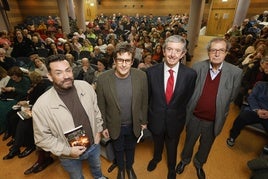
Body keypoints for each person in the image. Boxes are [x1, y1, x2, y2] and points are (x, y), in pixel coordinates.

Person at [176, 37, 243, 179]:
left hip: (214, 120)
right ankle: (185, 160)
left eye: (221, 50)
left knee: (206, 145)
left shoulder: (235, 73)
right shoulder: (197, 67)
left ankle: (199, 164)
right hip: (194, 116)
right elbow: (189, 92)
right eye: (213, 50)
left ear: (226, 53)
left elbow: (231, 97)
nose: (217, 54)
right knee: (189, 142)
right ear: (208, 52)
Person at [32, 54, 107, 179]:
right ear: (50, 76)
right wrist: (67, 151)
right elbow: (42, 138)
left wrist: (98, 130)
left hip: (94, 143)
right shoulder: (41, 106)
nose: (66, 76)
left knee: (96, 167)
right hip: (68, 155)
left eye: (68, 70)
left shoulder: (86, 87)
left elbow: (96, 110)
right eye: (59, 73)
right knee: (76, 176)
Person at [146, 35, 197, 179]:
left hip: (176, 120)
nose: (172, 54)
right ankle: (156, 158)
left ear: (183, 54)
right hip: (155, 118)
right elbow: (148, 98)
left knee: (172, 145)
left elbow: (187, 98)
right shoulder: (151, 72)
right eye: (169, 49)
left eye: (177, 51)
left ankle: (171, 168)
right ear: (163, 50)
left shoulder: (190, 75)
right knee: (157, 141)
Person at [96, 42, 148, 179]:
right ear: (114, 61)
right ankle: (120, 169)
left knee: (131, 148)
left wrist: (144, 121)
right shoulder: (102, 79)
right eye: (120, 60)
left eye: (127, 60)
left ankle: (129, 167)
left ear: (132, 62)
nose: (124, 64)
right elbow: (101, 105)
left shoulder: (141, 76)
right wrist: (104, 126)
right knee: (118, 149)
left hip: (133, 124)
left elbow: (144, 101)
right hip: (114, 124)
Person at [3, 72, 52, 160]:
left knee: (23, 122)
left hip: (36, 109)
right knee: (13, 116)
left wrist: (27, 102)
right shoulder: (34, 86)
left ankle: (19, 147)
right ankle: (16, 140)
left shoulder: (41, 87)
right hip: (30, 107)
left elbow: (37, 101)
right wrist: (29, 94)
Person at [226, 80, 268, 147]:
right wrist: (258, 110)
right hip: (255, 110)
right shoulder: (260, 85)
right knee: (241, 118)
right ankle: (232, 137)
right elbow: (251, 97)